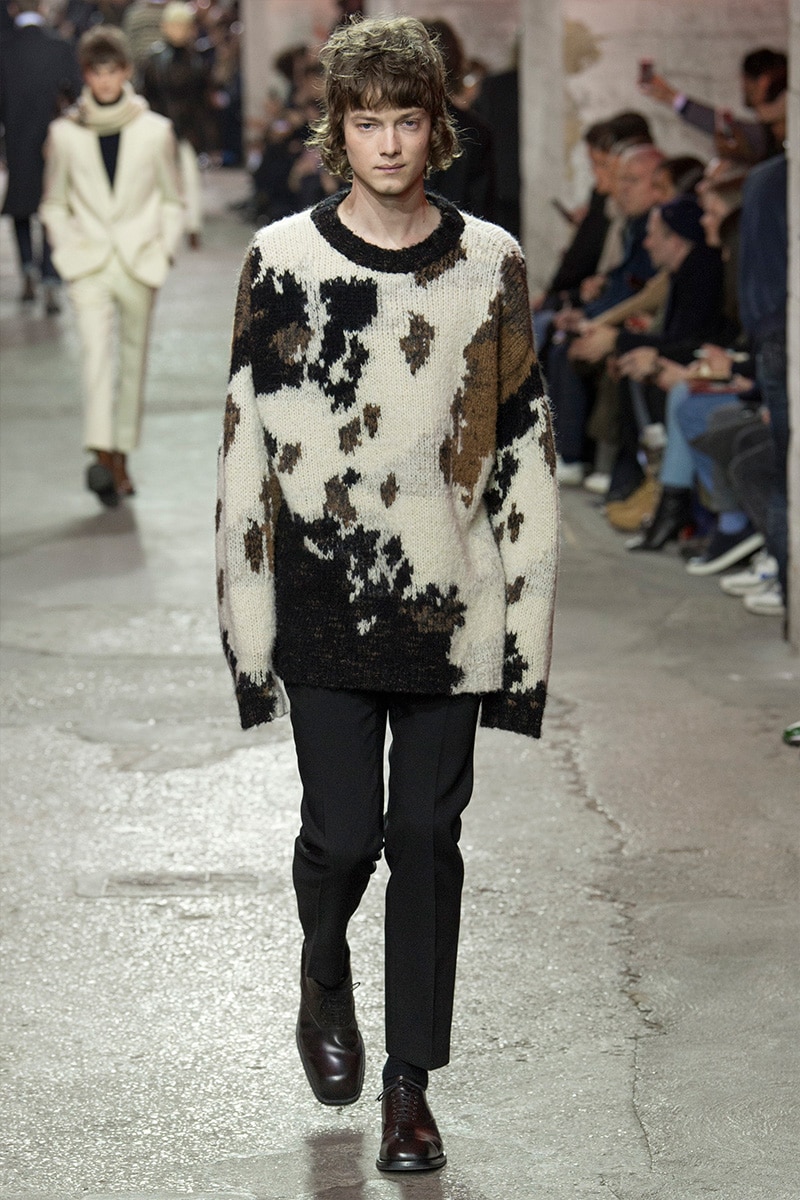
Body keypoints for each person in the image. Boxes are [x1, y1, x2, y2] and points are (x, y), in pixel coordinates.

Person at [215, 14, 559, 1174]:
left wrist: (524, 642)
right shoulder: (283, 261)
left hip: (449, 603)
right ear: (338, 131)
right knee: (342, 835)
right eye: (367, 123)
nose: (389, 144)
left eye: (407, 120)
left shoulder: (489, 262)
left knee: (424, 835)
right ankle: (323, 968)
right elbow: (246, 453)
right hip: (323, 597)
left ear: (435, 125)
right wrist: (247, 633)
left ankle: (408, 1084)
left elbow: (523, 451)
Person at [40, 26, 184, 505]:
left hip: (139, 261)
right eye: (95, 72)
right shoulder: (64, 134)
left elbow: (171, 199)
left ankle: (121, 454)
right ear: (86, 74)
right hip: (87, 263)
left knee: (133, 361)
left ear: (125, 72)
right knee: (96, 357)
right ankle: (102, 455)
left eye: (112, 70)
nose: (103, 80)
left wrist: (163, 250)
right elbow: (53, 202)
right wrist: (66, 251)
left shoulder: (155, 131)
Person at [0, 0, 82, 313]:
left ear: (13, 10)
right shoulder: (59, 47)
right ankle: (49, 275)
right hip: (53, 140)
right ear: (43, 8)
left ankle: (27, 268)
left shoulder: (5, 49)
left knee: (20, 205)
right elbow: (75, 94)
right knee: (52, 205)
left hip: (16, 138)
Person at [142, 0, 211, 248]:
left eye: (183, 26)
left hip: (189, 127)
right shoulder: (154, 59)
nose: (178, 31)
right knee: (160, 178)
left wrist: (204, 134)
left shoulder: (197, 60)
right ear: (165, 27)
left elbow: (203, 100)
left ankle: (193, 226)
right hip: (162, 124)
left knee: (191, 176)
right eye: (174, 25)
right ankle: (161, 225)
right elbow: (148, 94)